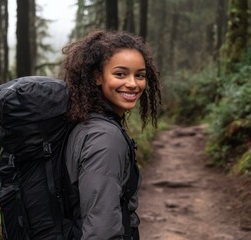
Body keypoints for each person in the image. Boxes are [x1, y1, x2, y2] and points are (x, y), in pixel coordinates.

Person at [60, 30, 162, 240]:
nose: (133, 84)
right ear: (98, 76)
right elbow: (101, 227)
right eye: (120, 74)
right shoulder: (104, 139)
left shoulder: (87, 123)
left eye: (140, 75)